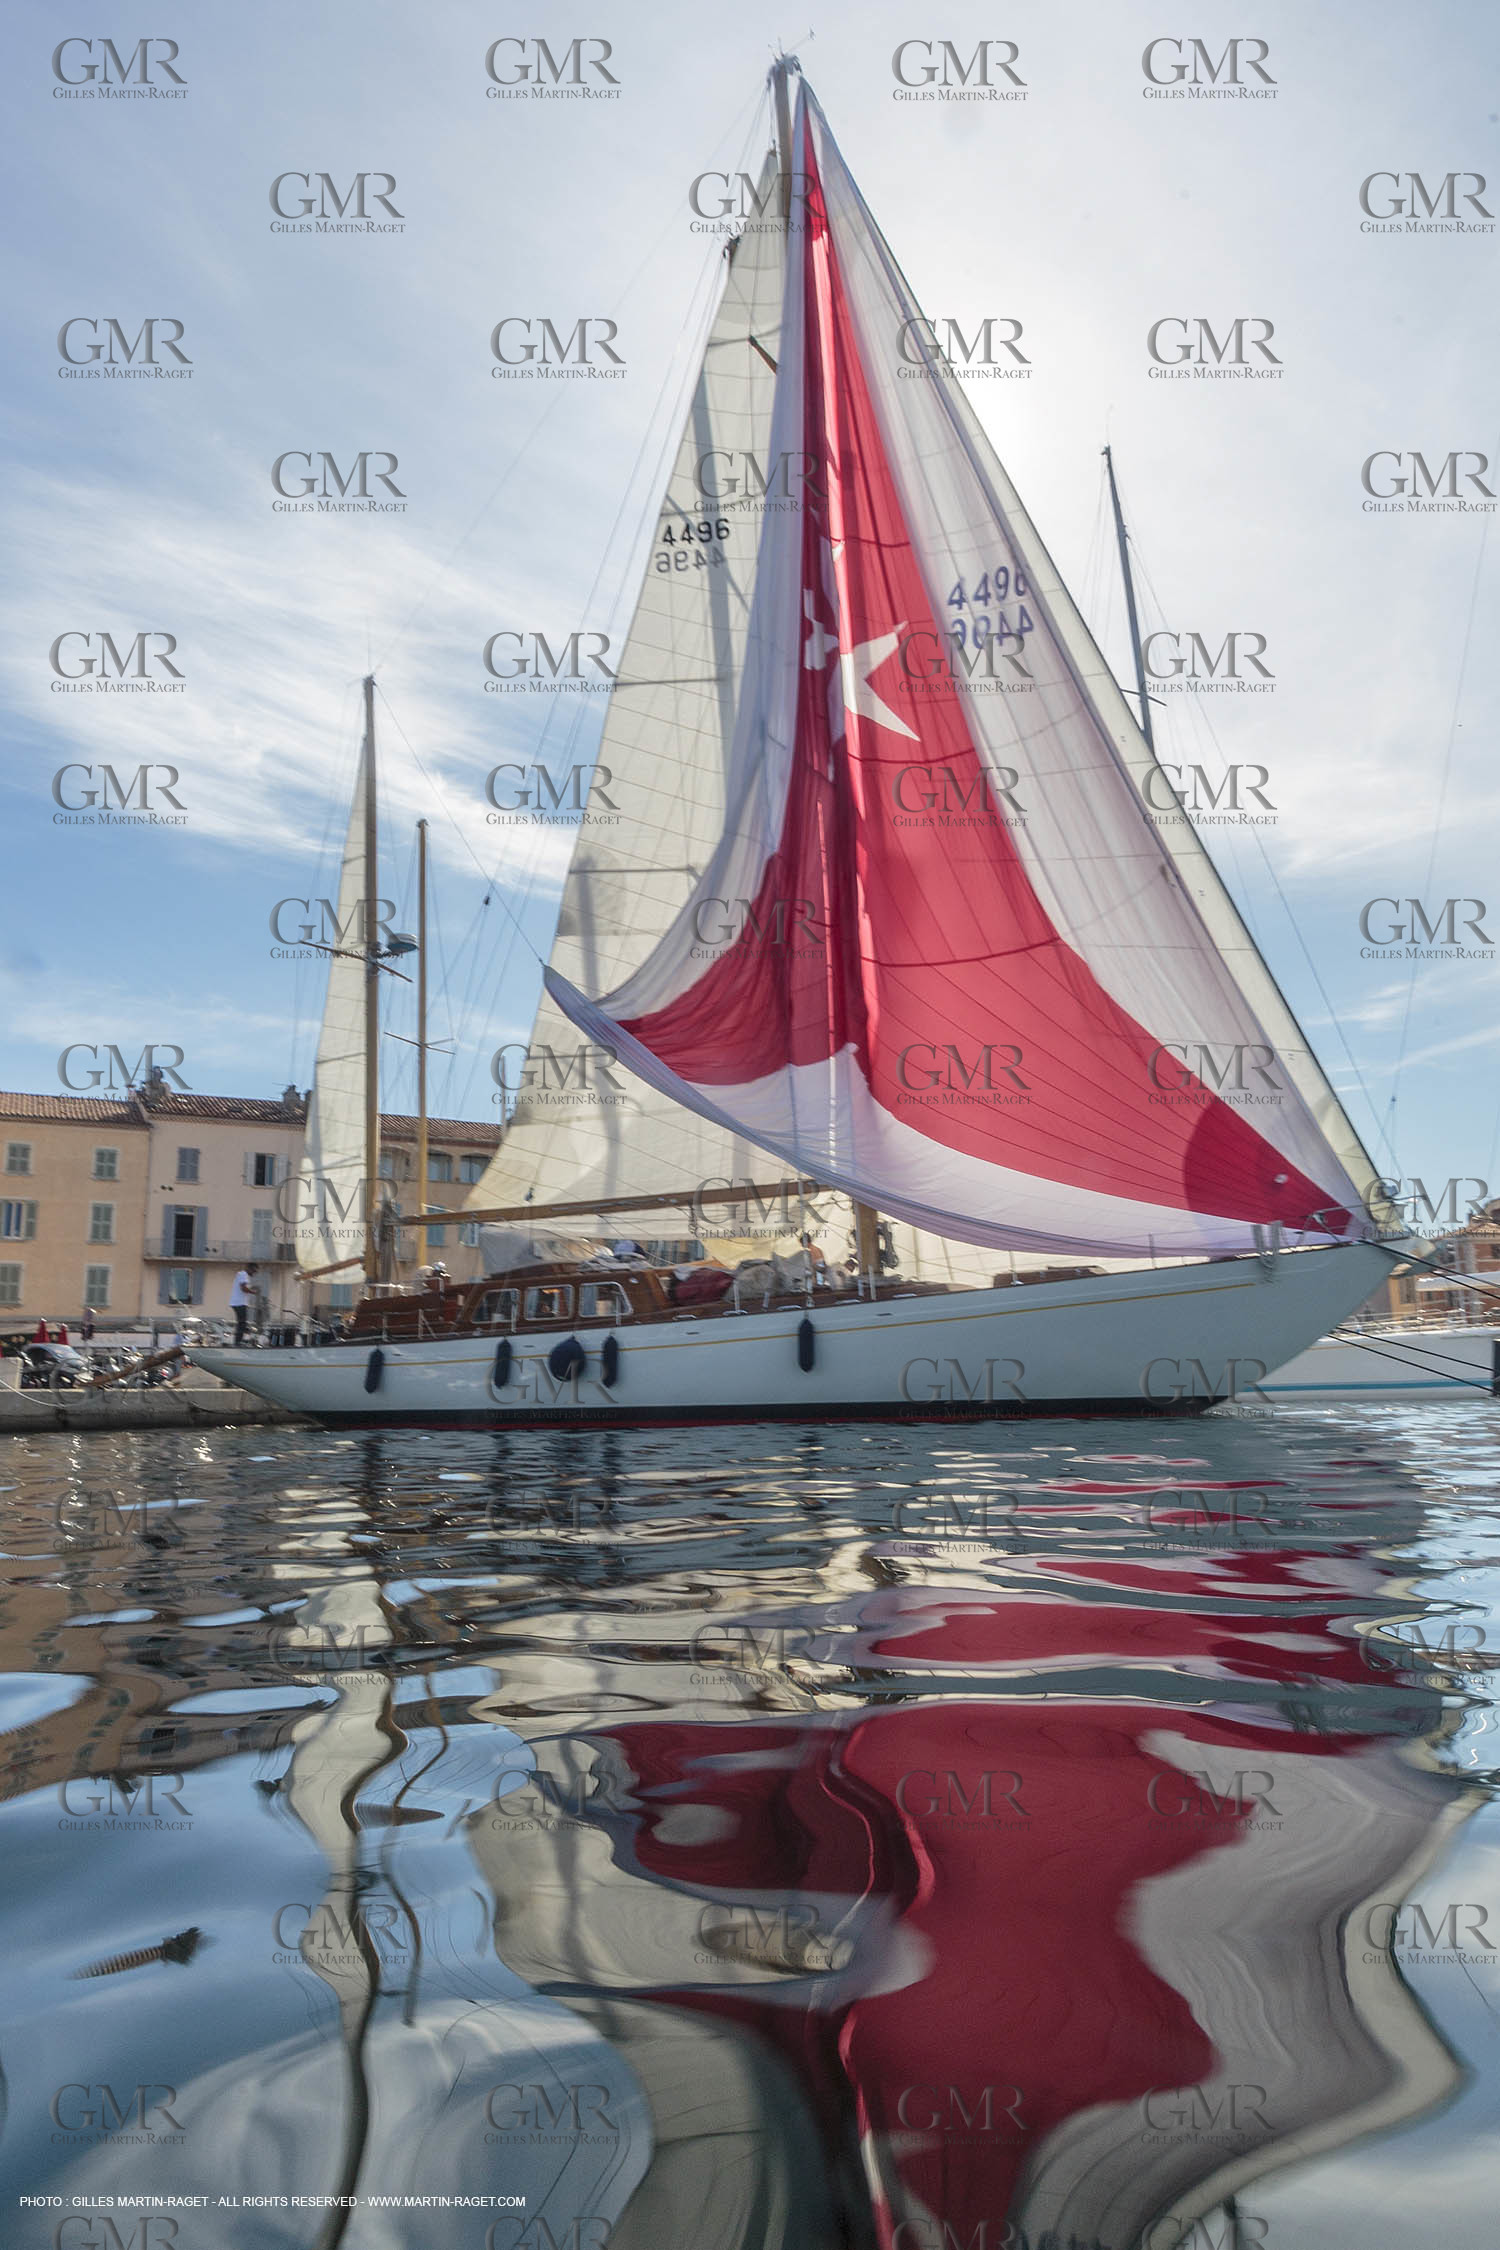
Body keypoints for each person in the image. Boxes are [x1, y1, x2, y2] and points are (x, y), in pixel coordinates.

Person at [229, 1261, 259, 1346]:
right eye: (254, 1271)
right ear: (249, 1268)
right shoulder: (243, 1274)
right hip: (239, 1303)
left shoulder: (242, 1275)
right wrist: (253, 1292)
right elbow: (243, 1288)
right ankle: (238, 1342)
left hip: (238, 1303)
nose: (254, 1273)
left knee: (242, 1323)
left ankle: (240, 1340)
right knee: (242, 1322)